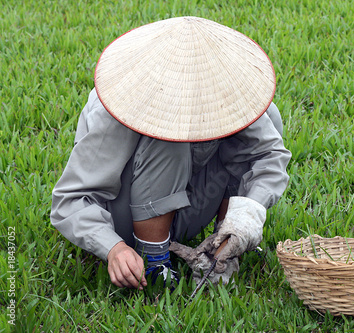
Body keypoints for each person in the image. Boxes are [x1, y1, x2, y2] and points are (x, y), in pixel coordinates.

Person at [50, 16, 291, 290]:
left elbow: (269, 158)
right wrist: (113, 248)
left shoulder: (231, 96)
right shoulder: (118, 107)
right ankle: (152, 261)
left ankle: (221, 249)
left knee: (265, 115)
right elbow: (70, 200)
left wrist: (242, 223)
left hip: (186, 206)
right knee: (170, 140)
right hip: (124, 216)